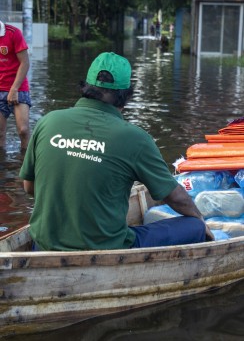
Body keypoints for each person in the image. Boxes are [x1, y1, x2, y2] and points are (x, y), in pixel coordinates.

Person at [19, 52, 214, 251]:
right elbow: (175, 197)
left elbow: (29, 187)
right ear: (126, 95)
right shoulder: (135, 138)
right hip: (106, 249)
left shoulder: (48, 122)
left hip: (42, 246)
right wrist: (200, 218)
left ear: (85, 87)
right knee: (193, 226)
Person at [0, 21, 31, 150]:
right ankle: (3, 168)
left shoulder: (13, 33)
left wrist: (14, 88)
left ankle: (27, 163)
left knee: (23, 130)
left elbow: (25, 63)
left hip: (18, 88)